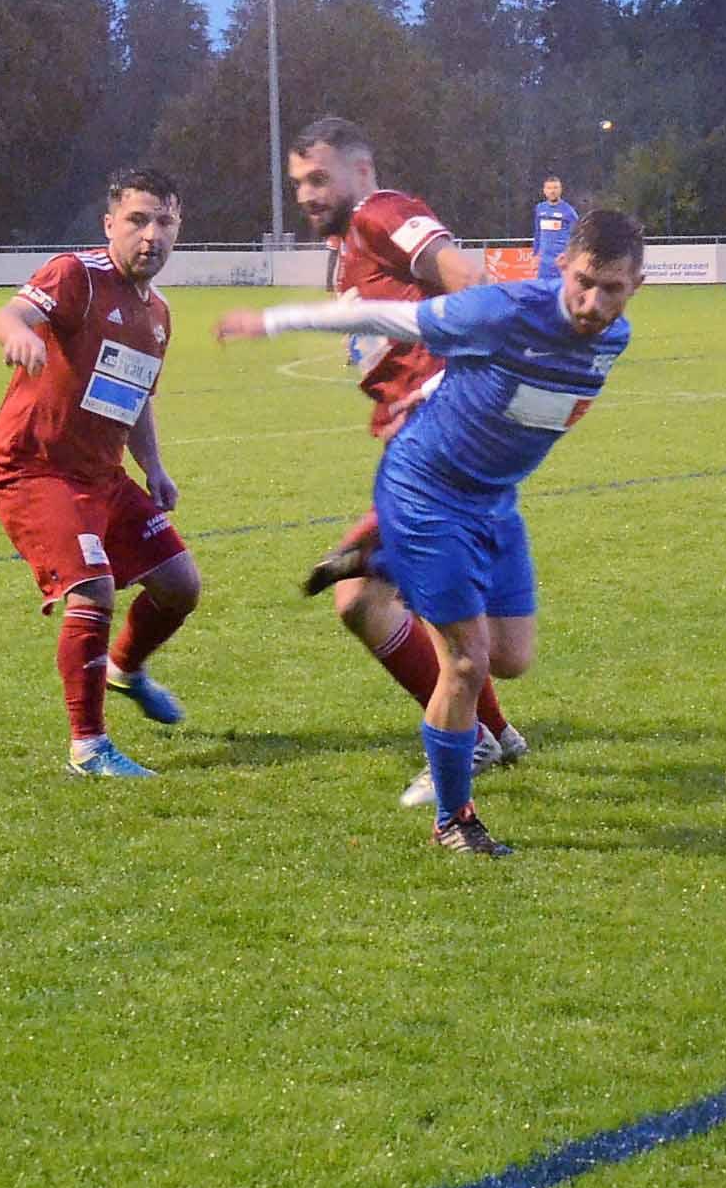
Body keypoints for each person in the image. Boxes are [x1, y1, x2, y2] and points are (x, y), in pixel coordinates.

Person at [216, 209, 643, 854]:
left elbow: (513, 389)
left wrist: (445, 388)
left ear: (637, 284)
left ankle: (384, 561)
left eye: (612, 288)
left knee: (511, 659)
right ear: (561, 266)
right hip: (426, 491)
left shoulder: (616, 338)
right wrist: (273, 320)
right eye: (584, 281)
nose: (593, 301)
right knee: (466, 664)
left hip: (494, 502)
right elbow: (394, 320)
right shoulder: (503, 310)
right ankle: (455, 822)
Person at [279, 116, 526, 806]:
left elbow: (462, 274)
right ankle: (494, 732)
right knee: (364, 600)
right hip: (424, 444)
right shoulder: (349, 248)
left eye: (319, 177)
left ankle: (470, 744)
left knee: (383, 598)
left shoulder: (385, 212)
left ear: (362, 171)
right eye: (298, 181)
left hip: (442, 442)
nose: (306, 192)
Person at [0, 167, 200, 778]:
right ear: (110, 224)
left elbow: (133, 395)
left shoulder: (158, 313)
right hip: (37, 470)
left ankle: (124, 669)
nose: (150, 235)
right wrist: (17, 336)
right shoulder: (77, 275)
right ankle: (89, 747)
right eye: (137, 220)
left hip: (103, 476)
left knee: (180, 586)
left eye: (164, 221)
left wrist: (154, 468)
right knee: (93, 590)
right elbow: (10, 314)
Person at [532, 175, 579, 287]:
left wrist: (571, 255)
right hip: (544, 264)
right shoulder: (540, 208)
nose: (552, 191)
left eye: (555, 188)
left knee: (561, 294)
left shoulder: (568, 211)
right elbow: (538, 233)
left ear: (560, 190)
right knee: (543, 293)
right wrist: (535, 254)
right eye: (549, 188)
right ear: (544, 191)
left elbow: (577, 235)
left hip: (561, 262)